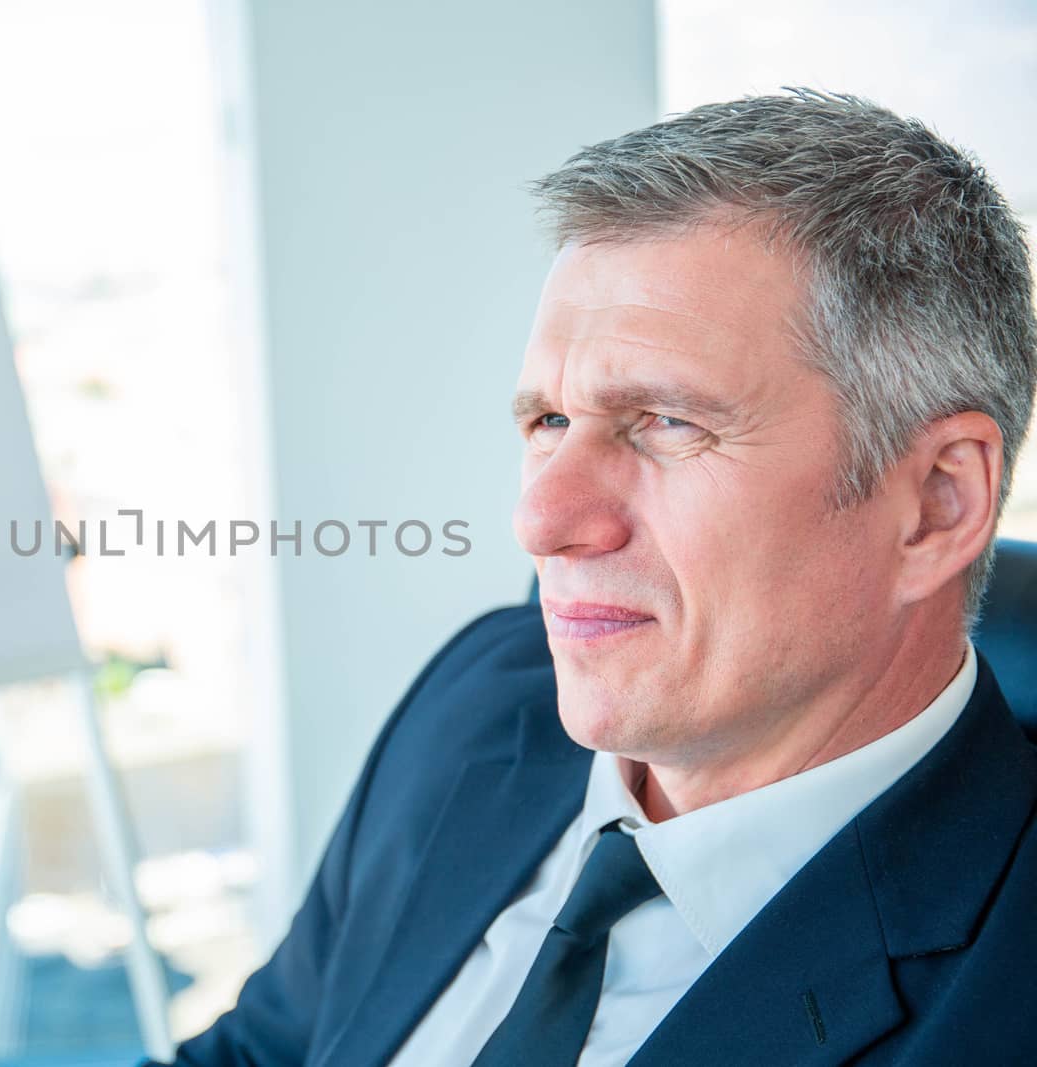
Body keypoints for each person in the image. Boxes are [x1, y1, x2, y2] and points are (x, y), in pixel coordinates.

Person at [159, 90, 1037, 1065]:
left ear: (937, 502)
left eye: (665, 421)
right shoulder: (482, 701)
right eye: (547, 423)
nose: (538, 520)